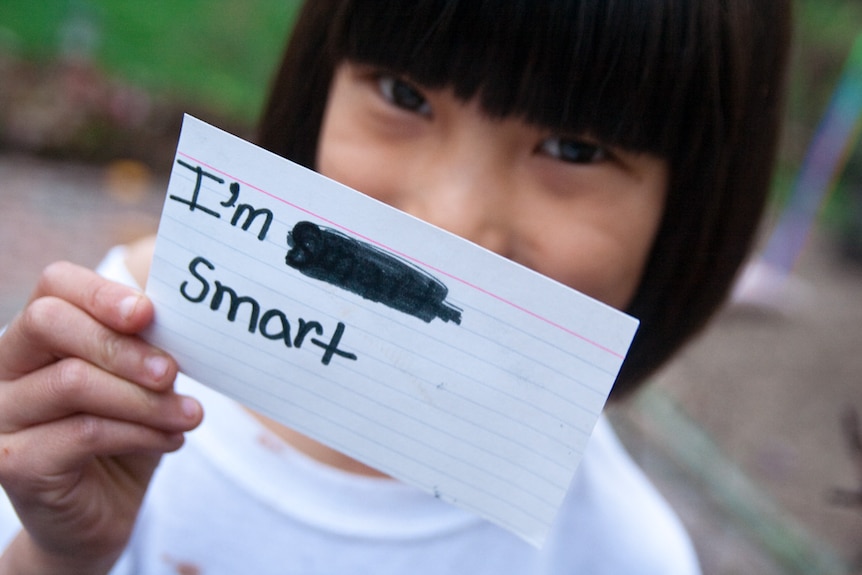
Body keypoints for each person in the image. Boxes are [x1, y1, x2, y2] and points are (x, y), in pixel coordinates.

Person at [0, 1, 792, 573]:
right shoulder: (116, 373)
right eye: (404, 95)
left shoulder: (620, 553)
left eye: (574, 149)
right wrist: (58, 556)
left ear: (688, 215)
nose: (447, 222)